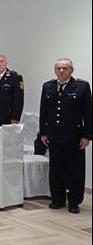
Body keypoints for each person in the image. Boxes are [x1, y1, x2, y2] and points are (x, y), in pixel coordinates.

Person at [40, 58, 91, 214]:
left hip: (74, 136)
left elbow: (88, 113)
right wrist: (43, 132)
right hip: (53, 135)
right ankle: (58, 199)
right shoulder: (48, 86)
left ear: (71, 70)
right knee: (56, 169)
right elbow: (43, 112)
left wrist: (87, 136)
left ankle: (74, 201)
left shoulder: (82, 87)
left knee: (75, 170)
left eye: (65, 68)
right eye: (59, 68)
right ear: (55, 70)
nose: (61, 71)